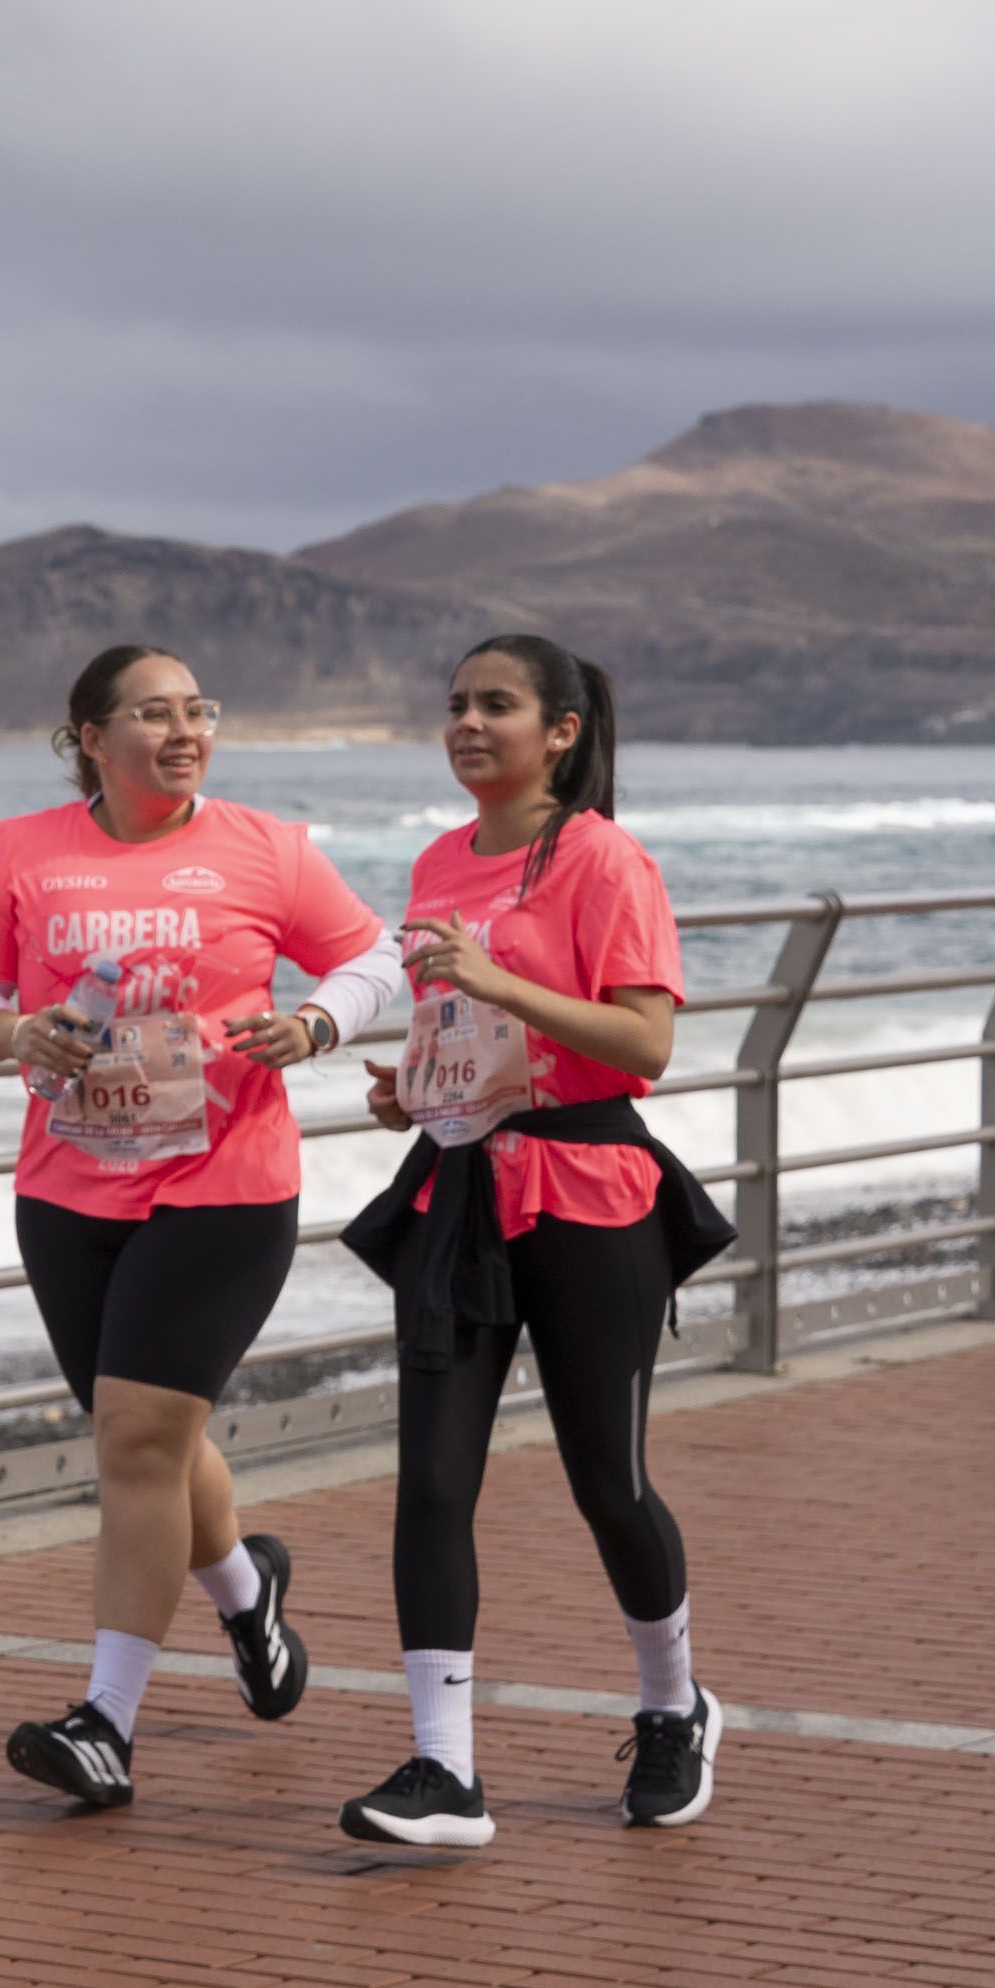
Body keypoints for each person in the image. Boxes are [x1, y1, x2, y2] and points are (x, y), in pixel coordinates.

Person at [0, 646, 399, 1808]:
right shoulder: (19, 850)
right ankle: (246, 1591)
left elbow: (373, 956)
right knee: (151, 1439)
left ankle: (105, 1724)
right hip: (66, 1189)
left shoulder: (266, 848)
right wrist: (8, 1033)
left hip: (225, 1185)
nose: (185, 731)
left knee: (136, 1440)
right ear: (90, 737)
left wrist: (316, 1026)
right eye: (154, 713)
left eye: (198, 711)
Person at [334, 634, 732, 1848]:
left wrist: (500, 984)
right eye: (454, 703)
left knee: (606, 1481)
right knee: (430, 1483)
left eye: (494, 705)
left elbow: (644, 1046)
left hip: (589, 1191)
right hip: (460, 1189)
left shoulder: (603, 857)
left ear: (559, 731)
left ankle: (672, 1708)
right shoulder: (436, 860)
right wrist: (415, 1090)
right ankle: (443, 1771)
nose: (465, 723)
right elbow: (461, 1029)